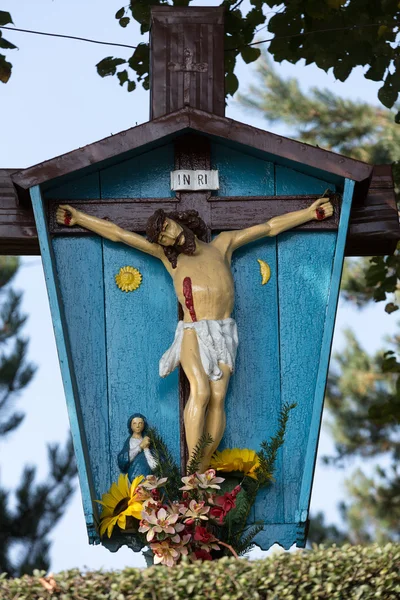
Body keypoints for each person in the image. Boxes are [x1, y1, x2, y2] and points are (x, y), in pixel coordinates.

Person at [56, 197, 333, 471]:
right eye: (161, 236)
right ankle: (191, 466)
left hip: (223, 332)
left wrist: (310, 214)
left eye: (167, 226)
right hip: (193, 330)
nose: (168, 235)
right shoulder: (170, 260)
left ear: (177, 220)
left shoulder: (223, 244)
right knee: (199, 391)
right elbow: (120, 235)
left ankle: (201, 466)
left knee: (218, 397)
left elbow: (269, 227)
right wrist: (79, 218)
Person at [117, 413, 156, 481]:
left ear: (144, 425)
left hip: (148, 477)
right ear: (130, 426)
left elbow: (154, 463)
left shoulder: (147, 440)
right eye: (134, 423)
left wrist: (146, 448)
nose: (137, 426)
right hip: (135, 476)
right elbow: (124, 459)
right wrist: (140, 446)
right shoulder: (130, 442)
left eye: (140, 423)